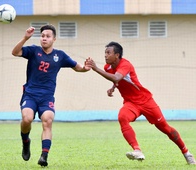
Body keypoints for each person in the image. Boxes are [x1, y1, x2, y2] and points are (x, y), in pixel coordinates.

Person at [86, 41, 196, 165]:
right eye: (105, 53)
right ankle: (137, 150)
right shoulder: (108, 67)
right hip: (131, 103)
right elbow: (116, 79)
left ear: (117, 55)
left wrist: (95, 68)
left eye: (108, 53)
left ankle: (187, 153)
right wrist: (113, 87)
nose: (105, 55)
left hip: (146, 101)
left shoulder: (125, 64)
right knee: (122, 117)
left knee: (166, 129)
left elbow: (117, 77)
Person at [11, 24, 90, 167]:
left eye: (47, 36)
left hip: (47, 97)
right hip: (30, 94)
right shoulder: (34, 51)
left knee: (47, 120)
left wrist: (85, 68)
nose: (44, 39)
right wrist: (25, 38)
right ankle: (25, 142)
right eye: (42, 36)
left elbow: (77, 67)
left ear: (54, 39)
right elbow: (15, 52)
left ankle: (44, 156)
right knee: (27, 119)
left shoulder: (60, 56)